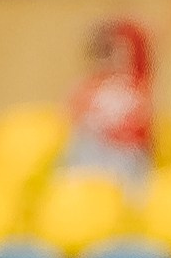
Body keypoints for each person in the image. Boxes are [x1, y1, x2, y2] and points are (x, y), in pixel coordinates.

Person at [60, 18, 156, 194]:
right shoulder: (85, 88)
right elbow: (74, 117)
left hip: (123, 158)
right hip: (92, 156)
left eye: (113, 54)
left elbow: (142, 125)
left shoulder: (129, 89)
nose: (109, 63)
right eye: (103, 55)